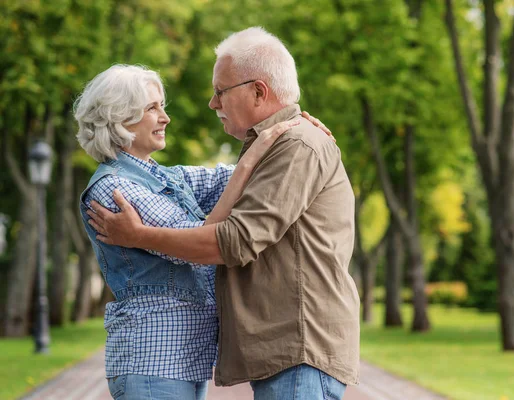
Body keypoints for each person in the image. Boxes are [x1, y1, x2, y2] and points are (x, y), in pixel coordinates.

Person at [88, 27, 359, 400]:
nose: (212, 104)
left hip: (297, 349)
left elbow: (231, 240)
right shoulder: (120, 185)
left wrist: (138, 235)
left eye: (220, 91)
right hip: (164, 359)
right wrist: (257, 152)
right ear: (119, 118)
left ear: (259, 92)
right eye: (153, 108)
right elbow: (218, 205)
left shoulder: (295, 146)